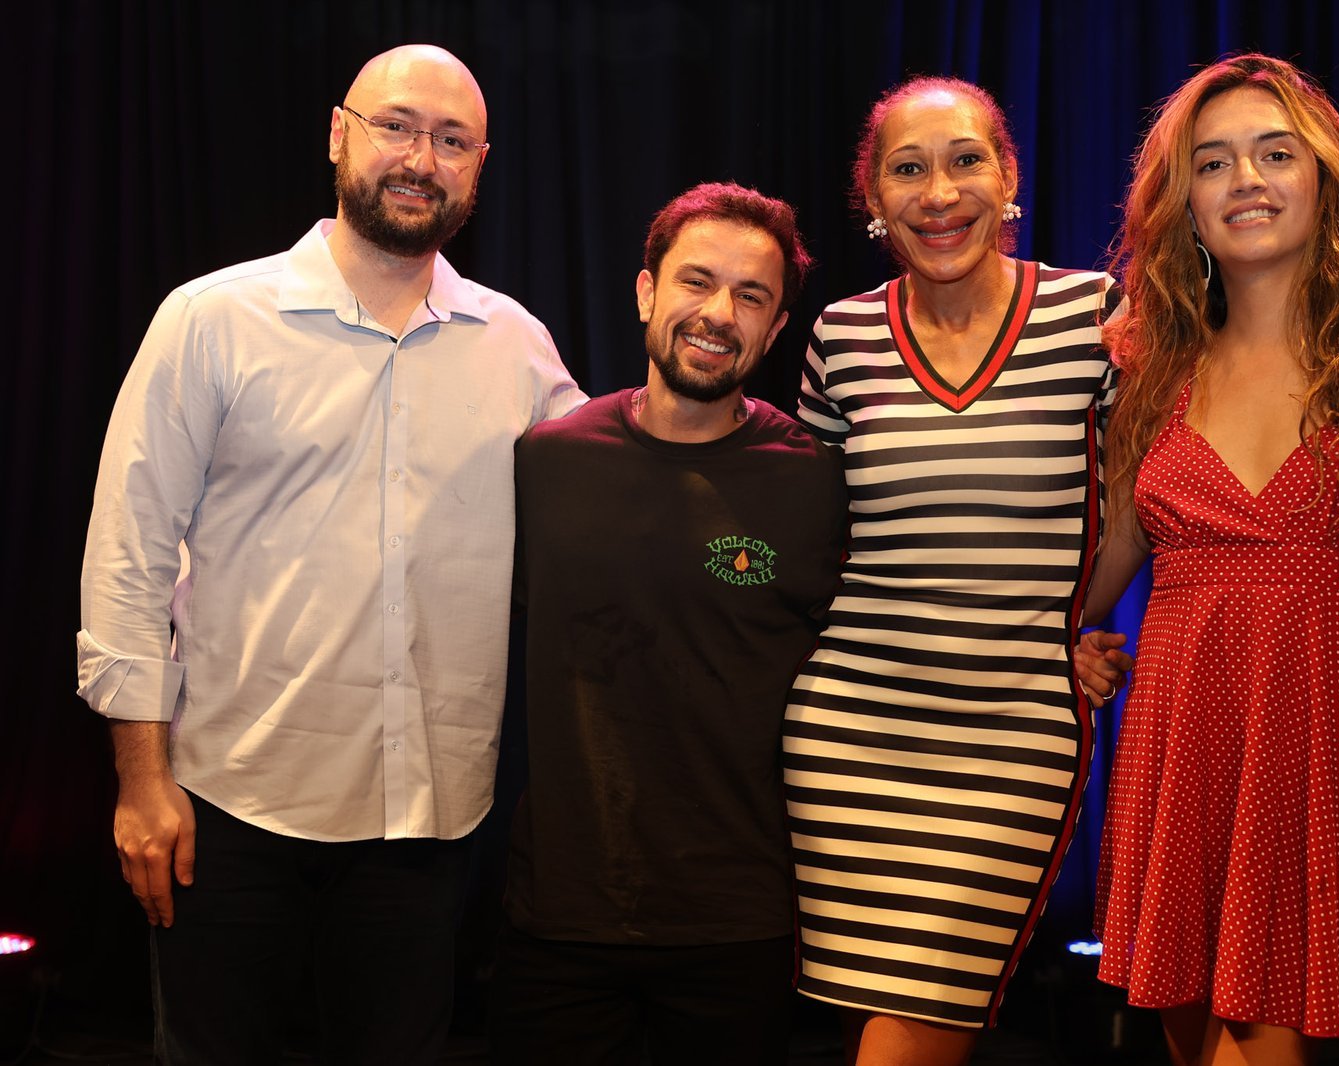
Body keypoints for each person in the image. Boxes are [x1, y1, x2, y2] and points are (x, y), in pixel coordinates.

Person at [75, 45, 584, 1066]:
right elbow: (128, 554)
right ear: (337, 132)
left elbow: (607, 517)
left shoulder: (516, 346)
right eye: (397, 125)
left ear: (479, 167)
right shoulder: (212, 320)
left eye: (450, 141)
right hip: (227, 804)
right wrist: (142, 779)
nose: (420, 158)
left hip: (427, 824)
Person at [1076, 54, 1339, 1065]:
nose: (1248, 181)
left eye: (1275, 153)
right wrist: (1062, 647)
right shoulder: (1148, 367)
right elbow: (1091, 569)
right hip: (1179, 770)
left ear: (1326, 176)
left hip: (1324, 769)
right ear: (1183, 199)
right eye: (1215, 162)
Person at [780, 76, 1119, 1066]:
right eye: (908, 168)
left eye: (965, 159)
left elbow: (1160, 496)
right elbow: (810, 536)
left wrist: (1076, 621)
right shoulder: (839, 339)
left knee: (913, 1023)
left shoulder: (1094, 318)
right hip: (849, 729)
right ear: (873, 200)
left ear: (1007, 175)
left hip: (1012, 740)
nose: (939, 192)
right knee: (888, 1024)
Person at [490, 183, 849, 1066]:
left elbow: (898, 631)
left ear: (774, 330)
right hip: (558, 919)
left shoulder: (818, 484)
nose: (717, 314)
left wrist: (1064, 638)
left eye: (751, 297)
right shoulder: (547, 461)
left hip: (740, 922)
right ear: (647, 292)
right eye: (696, 282)